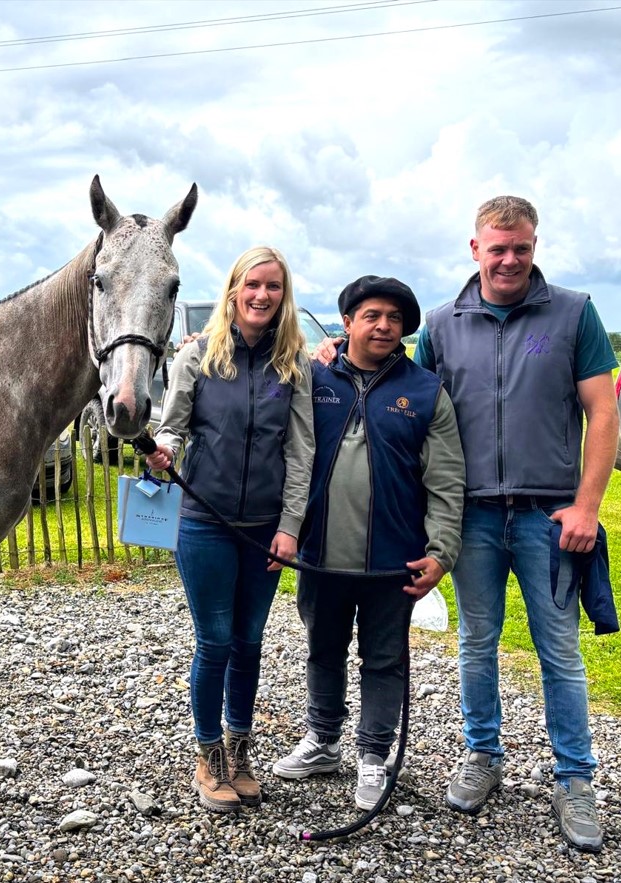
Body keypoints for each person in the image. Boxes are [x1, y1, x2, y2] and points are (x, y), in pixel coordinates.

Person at [314, 197, 619, 851]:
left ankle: (573, 778)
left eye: (521, 247)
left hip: (548, 516)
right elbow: (409, 396)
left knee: (559, 653)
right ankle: (482, 754)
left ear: (533, 246)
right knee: (477, 642)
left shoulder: (574, 313)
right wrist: (337, 353)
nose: (509, 258)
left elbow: (602, 411)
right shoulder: (443, 326)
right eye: (496, 247)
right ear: (474, 248)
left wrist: (588, 505)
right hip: (474, 515)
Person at [272, 276, 465, 811]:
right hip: (320, 556)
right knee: (323, 651)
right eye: (372, 316)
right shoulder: (311, 379)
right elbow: (248, 379)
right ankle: (323, 741)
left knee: (384, 661)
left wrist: (441, 550)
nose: (384, 326)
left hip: (393, 559)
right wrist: (195, 348)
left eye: (395, 319)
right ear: (348, 322)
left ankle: (374, 757)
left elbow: (447, 481)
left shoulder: (426, 391)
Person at [145, 245, 314, 814]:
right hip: (206, 524)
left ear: (282, 296)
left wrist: (290, 527)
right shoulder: (197, 358)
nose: (262, 295)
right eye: (253, 285)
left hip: (265, 531)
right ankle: (209, 755)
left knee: (249, 642)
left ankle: (241, 751)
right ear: (234, 290)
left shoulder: (293, 365)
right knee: (215, 641)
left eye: (273, 286)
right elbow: (172, 430)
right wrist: (162, 452)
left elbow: (301, 452)